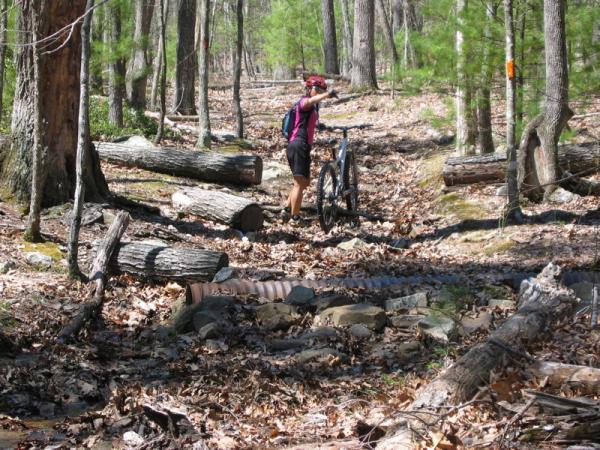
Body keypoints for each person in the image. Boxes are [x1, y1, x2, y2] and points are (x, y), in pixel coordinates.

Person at [284, 75, 338, 226]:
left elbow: (308, 121)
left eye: (321, 90)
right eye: (317, 89)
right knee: (298, 184)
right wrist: (328, 94)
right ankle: (295, 219)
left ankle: (287, 210)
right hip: (298, 145)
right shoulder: (304, 102)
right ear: (309, 89)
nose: (319, 92)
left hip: (300, 147)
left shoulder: (312, 108)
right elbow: (310, 101)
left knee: (303, 182)